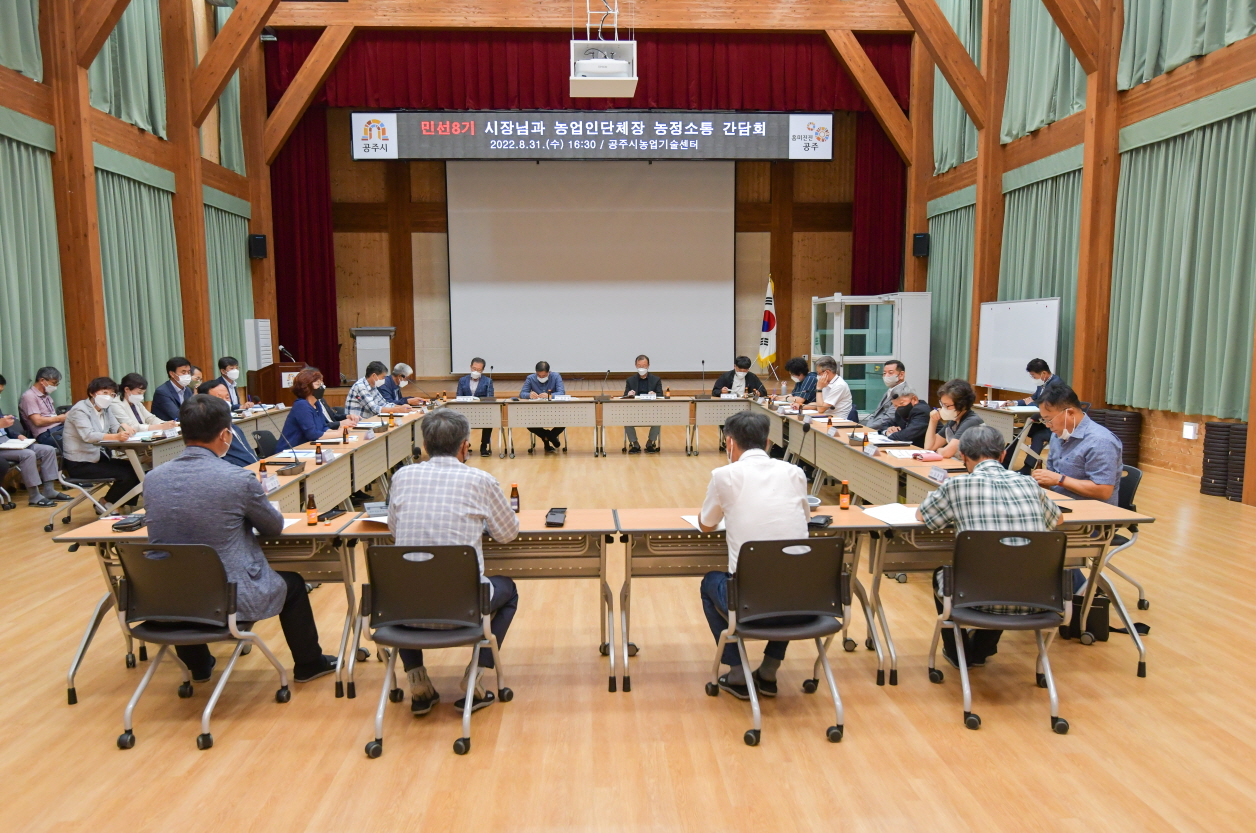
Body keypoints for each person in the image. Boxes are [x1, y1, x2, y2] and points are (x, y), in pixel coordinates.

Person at [143, 394, 335, 684]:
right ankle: (309, 664)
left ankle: (198, 665)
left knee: (183, 575)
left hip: (166, 598)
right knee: (293, 584)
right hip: (228, 597)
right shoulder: (238, 479)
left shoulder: (153, 478)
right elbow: (273, 527)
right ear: (225, 435)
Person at [388, 409, 521, 715]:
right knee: (509, 590)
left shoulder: (402, 476)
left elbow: (394, 531)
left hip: (402, 611)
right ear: (464, 446)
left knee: (406, 584)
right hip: (464, 609)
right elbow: (507, 534)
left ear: (424, 445)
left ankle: (416, 677)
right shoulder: (481, 480)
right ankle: (477, 673)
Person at [916, 424, 1062, 668]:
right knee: (1010, 569)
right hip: (1037, 596)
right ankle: (982, 649)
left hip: (975, 597)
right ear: (1003, 455)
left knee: (946, 574)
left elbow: (924, 517)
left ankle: (959, 653)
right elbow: (1057, 520)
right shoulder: (1029, 484)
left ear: (963, 456)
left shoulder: (956, 485)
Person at [698, 409, 809, 699]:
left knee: (710, 582)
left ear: (729, 442)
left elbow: (706, 525)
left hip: (749, 603)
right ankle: (769, 668)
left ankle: (737, 670)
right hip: (805, 602)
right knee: (788, 578)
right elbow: (806, 518)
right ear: (768, 442)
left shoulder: (724, 475)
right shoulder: (795, 472)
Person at [1032, 384, 1122, 505]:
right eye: (1044, 420)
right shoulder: (1057, 435)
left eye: (1049, 419)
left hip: (1091, 510)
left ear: (1070, 413)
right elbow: (1052, 476)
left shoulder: (1100, 441)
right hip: (1059, 503)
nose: (1048, 425)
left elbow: (1103, 490)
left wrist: (1060, 480)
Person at [61, 377, 141, 508]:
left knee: (136, 468)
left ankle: (117, 504)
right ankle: (105, 503)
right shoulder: (80, 410)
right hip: (80, 463)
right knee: (127, 474)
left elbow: (115, 426)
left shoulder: (106, 409)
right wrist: (116, 436)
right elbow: (88, 435)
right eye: (105, 393)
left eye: (112, 394)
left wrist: (123, 428)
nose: (108, 397)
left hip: (98, 457)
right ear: (92, 393)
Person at [0, 373, 71, 506]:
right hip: (1, 447)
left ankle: (49, 490)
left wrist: (17, 435)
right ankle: (34, 496)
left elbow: (6, 428)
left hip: (8, 442)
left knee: (48, 450)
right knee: (28, 454)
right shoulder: (29, 396)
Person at [199, 380, 259, 467]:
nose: (225, 402)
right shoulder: (210, 434)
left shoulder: (234, 428)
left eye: (227, 397)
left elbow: (249, 455)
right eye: (219, 399)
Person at [274, 368, 334, 453]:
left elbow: (323, 427)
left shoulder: (316, 404)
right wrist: (339, 434)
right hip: (290, 452)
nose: (322, 387)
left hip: (306, 449)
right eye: (318, 384)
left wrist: (340, 432)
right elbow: (312, 434)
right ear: (307, 387)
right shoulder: (301, 405)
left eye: (322, 383)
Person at [924, 379, 984, 459]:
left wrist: (940, 450)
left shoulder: (972, 422)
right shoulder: (953, 421)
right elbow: (929, 447)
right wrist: (933, 420)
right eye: (942, 405)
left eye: (947, 406)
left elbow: (947, 453)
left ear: (962, 405)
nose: (943, 408)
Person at [519, 361, 565, 452]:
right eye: (539, 375)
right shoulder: (530, 378)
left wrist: (549, 396)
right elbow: (522, 393)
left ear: (549, 372)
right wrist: (529, 395)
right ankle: (548, 436)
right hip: (537, 411)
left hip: (555, 410)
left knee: (564, 421)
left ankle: (548, 437)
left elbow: (562, 393)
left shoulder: (556, 376)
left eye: (543, 376)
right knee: (529, 424)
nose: (541, 377)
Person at [623, 354, 663, 453]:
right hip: (634, 411)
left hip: (651, 410)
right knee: (626, 420)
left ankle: (650, 442)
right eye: (639, 366)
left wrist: (654, 394)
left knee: (659, 419)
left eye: (644, 366)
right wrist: (629, 394)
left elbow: (660, 395)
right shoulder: (630, 380)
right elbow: (624, 396)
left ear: (648, 366)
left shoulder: (656, 379)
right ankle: (635, 444)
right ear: (636, 366)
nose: (642, 368)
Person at [346, 361, 412, 420]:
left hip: (370, 421)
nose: (384, 379)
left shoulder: (373, 385)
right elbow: (374, 409)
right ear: (374, 376)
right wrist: (398, 409)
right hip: (357, 422)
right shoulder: (360, 387)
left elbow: (383, 403)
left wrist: (402, 407)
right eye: (383, 377)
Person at [108, 373, 176, 430]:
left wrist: (166, 424)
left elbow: (150, 418)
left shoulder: (136, 403)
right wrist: (160, 427)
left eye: (143, 393)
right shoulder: (115, 404)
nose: (141, 396)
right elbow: (131, 426)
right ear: (127, 389)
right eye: (139, 392)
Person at [18, 366, 66, 447]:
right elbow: (38, 421)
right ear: (42, 381)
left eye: (57, 384)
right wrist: (60, 418)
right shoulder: (29, 396)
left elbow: (52, 416)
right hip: (45, 434)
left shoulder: (47, 396)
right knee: (75, 439)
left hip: (58, 428)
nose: (55, 386)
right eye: (54, 383)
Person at [457, 358, 495, 456]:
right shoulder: (462, 380)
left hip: (482, 411)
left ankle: (484, 446)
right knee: (457, 420)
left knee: (489, 420)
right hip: (465, 411)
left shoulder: (488, 381)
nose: (476, 371)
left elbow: (490, 398)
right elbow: (458, 397)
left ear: (482, 370)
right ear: (470, 367)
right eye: (474, 369)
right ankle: (464, 444)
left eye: (478, 370)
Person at [862, 360, 909, 430]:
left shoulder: (903, 392)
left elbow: (889, 418)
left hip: (889, 431)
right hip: (874, 429)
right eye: (884, 373)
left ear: (901, 375)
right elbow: (875, 414)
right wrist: (867, 427)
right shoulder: (890, 390)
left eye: (890, 373)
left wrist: (868, 428)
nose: (886, 376)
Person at [151, 357, 195, 422]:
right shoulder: (162, 392)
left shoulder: (188, 390)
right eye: (183, 372)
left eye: (188, 372)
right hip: (166, 427)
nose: (187, 375)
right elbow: (177, 416)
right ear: (172, 374)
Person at [811, 356, 853, 421]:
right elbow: (820, 404)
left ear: (827, 372)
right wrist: (801, 406)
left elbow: (821, 408)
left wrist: (819, 388)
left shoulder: (839, 385)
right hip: (826, 418)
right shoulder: (826, 383)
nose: (818, 376)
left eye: (819, 373)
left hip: (837, 421)